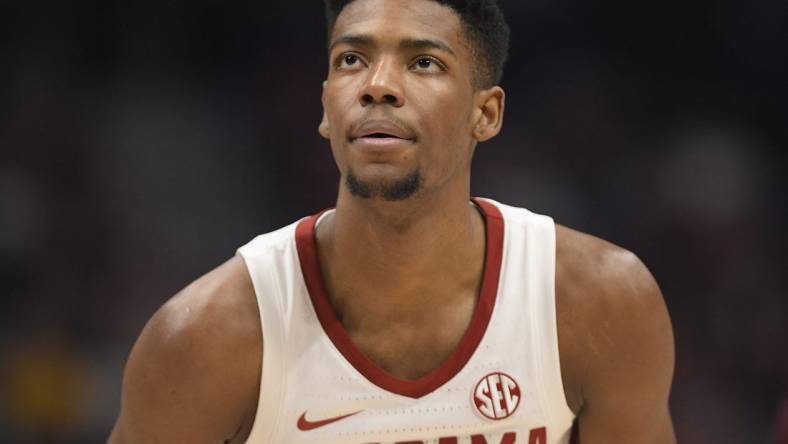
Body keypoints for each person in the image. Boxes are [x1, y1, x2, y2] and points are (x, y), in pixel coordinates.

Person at [108, 0, 676, 443]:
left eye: (423, 62)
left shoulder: (598, 303)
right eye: (351, 60)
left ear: (487, 112)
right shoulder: (205, 340)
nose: (377, 85)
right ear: (327, 108)